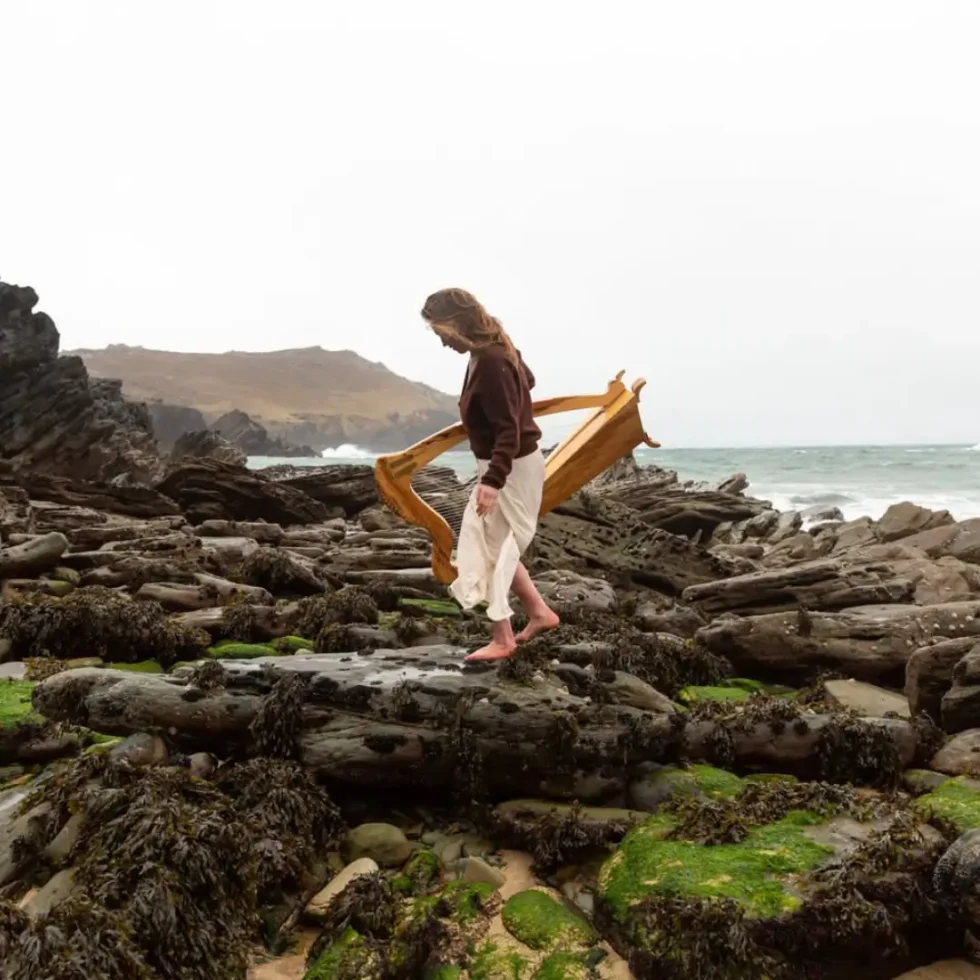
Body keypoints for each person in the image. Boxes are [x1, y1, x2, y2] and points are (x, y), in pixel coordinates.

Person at [421, 288, 560, 662]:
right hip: (507, 464)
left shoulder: (491, 359)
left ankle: (503, 638)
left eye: (441, 333)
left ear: (456, 324)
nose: (442, 342)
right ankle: (539, 613)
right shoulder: (495, 352)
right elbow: (526, 383)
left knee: (489, 550)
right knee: (492, 545)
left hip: (511, 466)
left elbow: (508, 430)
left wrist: (492, 481)